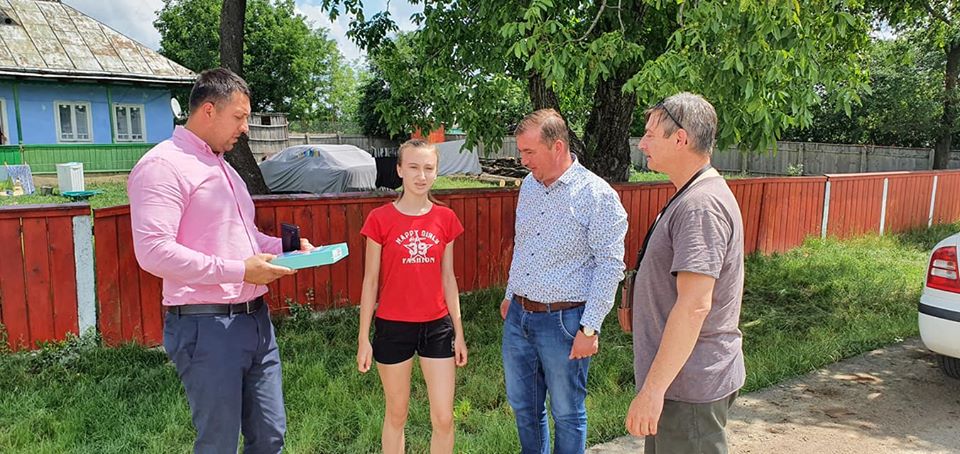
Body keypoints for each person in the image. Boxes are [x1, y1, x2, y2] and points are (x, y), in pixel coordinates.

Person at [129, 68, 311, 454]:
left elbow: (244, 237)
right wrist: (240, 271)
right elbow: (153, 251)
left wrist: (286, 248)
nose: (245, 128)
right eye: (239, 117)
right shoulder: (162, 166)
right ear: (209, 111)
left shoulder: (225, 168)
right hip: (206, 325)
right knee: (219, 443)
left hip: (256, 321)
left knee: (270, 435)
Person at [500, 109, 628, 454]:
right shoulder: (529, 186)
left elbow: (610, 266)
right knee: (524, 407)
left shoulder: (596, 195)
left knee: (567, 413)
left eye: (529, 152)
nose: (523, 160)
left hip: (565, 322)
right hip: (519, 317)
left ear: (557, 147)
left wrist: (590, 328)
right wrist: (511, 294)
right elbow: (523, 244)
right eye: (521, 152)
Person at [625, 92, 745, 454]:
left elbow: (695, 305)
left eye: (650, 135)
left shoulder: (700, 206)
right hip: (681, 386)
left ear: (680, 139)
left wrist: (653, 390)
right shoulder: (692, 194)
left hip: (688, 389)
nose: (642, 144)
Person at [357, 139, 468, 454]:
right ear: (399, 170)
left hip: (437, 326)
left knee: (444, 418)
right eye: (414, 167)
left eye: (428, 168)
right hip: (393, 326)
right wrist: (363, 338)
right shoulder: (379, 219)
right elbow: (370, 281)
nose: (421, 175)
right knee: (397, 413)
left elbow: (448, 278)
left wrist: (459, 332)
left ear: (436, 172)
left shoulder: (446, 218)